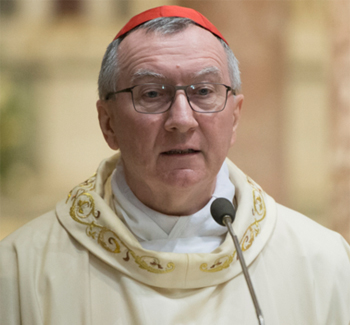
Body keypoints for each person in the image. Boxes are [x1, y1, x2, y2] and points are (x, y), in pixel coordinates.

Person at [1, 5, 349, 325]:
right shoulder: (21, 270)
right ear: (108, 123)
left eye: (203, 92)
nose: (181, 120)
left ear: (235, 117)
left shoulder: (321, 264)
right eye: (151, 93)